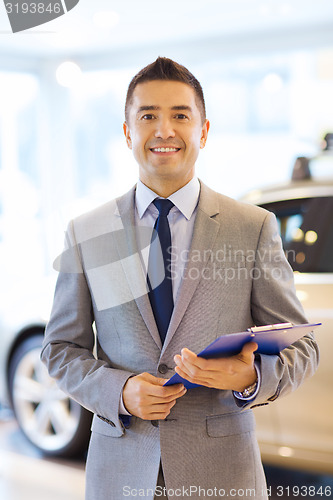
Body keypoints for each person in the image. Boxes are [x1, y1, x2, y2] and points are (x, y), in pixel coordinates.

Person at [41, 57, 319, 500]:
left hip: (223, 475)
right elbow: (60, 349)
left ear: (204, 131)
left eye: (180, 116)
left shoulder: (252, 227)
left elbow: (302, 347)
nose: (164, 130)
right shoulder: (87, 232)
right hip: (120, 474)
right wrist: (120, 392)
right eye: (148, 115)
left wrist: (249, 377)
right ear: (128, 131)